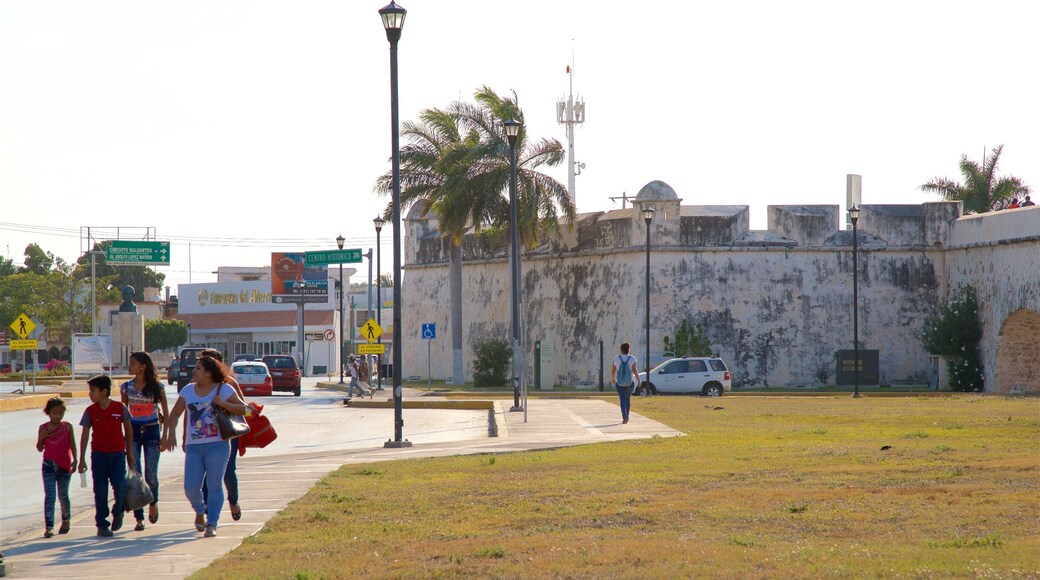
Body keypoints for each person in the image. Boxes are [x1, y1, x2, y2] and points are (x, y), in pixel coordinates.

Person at [162, 355, 247, 537]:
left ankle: (212, 523)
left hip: (218, 445)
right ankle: (200, 511)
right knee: (190, 487)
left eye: (198, 369)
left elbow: (244, 409)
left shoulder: (223, 389)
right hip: (194, 446)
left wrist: (224, 404)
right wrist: (171, 434)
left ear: (208, 373)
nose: (194, 371)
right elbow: (175, 414)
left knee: (214, 485)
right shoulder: (188, 391)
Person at [78, 375, 135, 537]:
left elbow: (128, 431)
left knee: (120, 486)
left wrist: (129, 453)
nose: (90, 394)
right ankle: (102, 524)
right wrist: (81, 459)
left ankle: (118, 510)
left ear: (104, 392)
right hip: (99, 456)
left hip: (117, 455)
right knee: (100, 490)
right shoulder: (90, 411)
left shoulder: (120, 408)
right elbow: (84, 435)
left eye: (93, 391)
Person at [120, 351, 169, 531]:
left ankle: (154, 502)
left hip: (152, 432)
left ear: (143, 367)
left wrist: (165, 437)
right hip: (133, 433)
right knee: (136, 475)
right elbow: (124, 416)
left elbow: (166, 413)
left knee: (151, 475)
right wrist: (124, 440)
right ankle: (139, 517)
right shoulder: (125, 387)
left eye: (133, 363)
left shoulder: (158, 387)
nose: (129, 366)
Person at [197, 348, 246, 522]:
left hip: (227, 433)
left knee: (227, 470)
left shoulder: (229, 383)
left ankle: (233, 501)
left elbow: (243, 408)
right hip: (204, 435)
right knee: (204, 473)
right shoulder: (197, 384)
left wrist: (224, 404)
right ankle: (210, 511)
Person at [37, 397, 77, 538]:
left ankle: (66, 520)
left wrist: (76, 460)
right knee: (50, 496)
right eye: (55, 413)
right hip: (48, 465)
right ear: (48, 413)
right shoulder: (43, 428)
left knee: (63, 495)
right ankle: (49, 526)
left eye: (61, 413)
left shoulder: (67, 427)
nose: (58, 416)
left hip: (64, 466)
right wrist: (42, 437)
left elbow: (72, 444)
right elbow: (39, 448)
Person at [610, 342, 641, 424]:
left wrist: (613, 379)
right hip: (630, 383)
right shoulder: (632, 359)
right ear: (629, 349)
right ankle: (627, 415)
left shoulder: (616, 358)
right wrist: (639, 380)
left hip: (619, 382)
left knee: (622, 399)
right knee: (627, 399)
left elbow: (613, 371)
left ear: (621, 349)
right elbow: (634, 370)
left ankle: (624, 417)